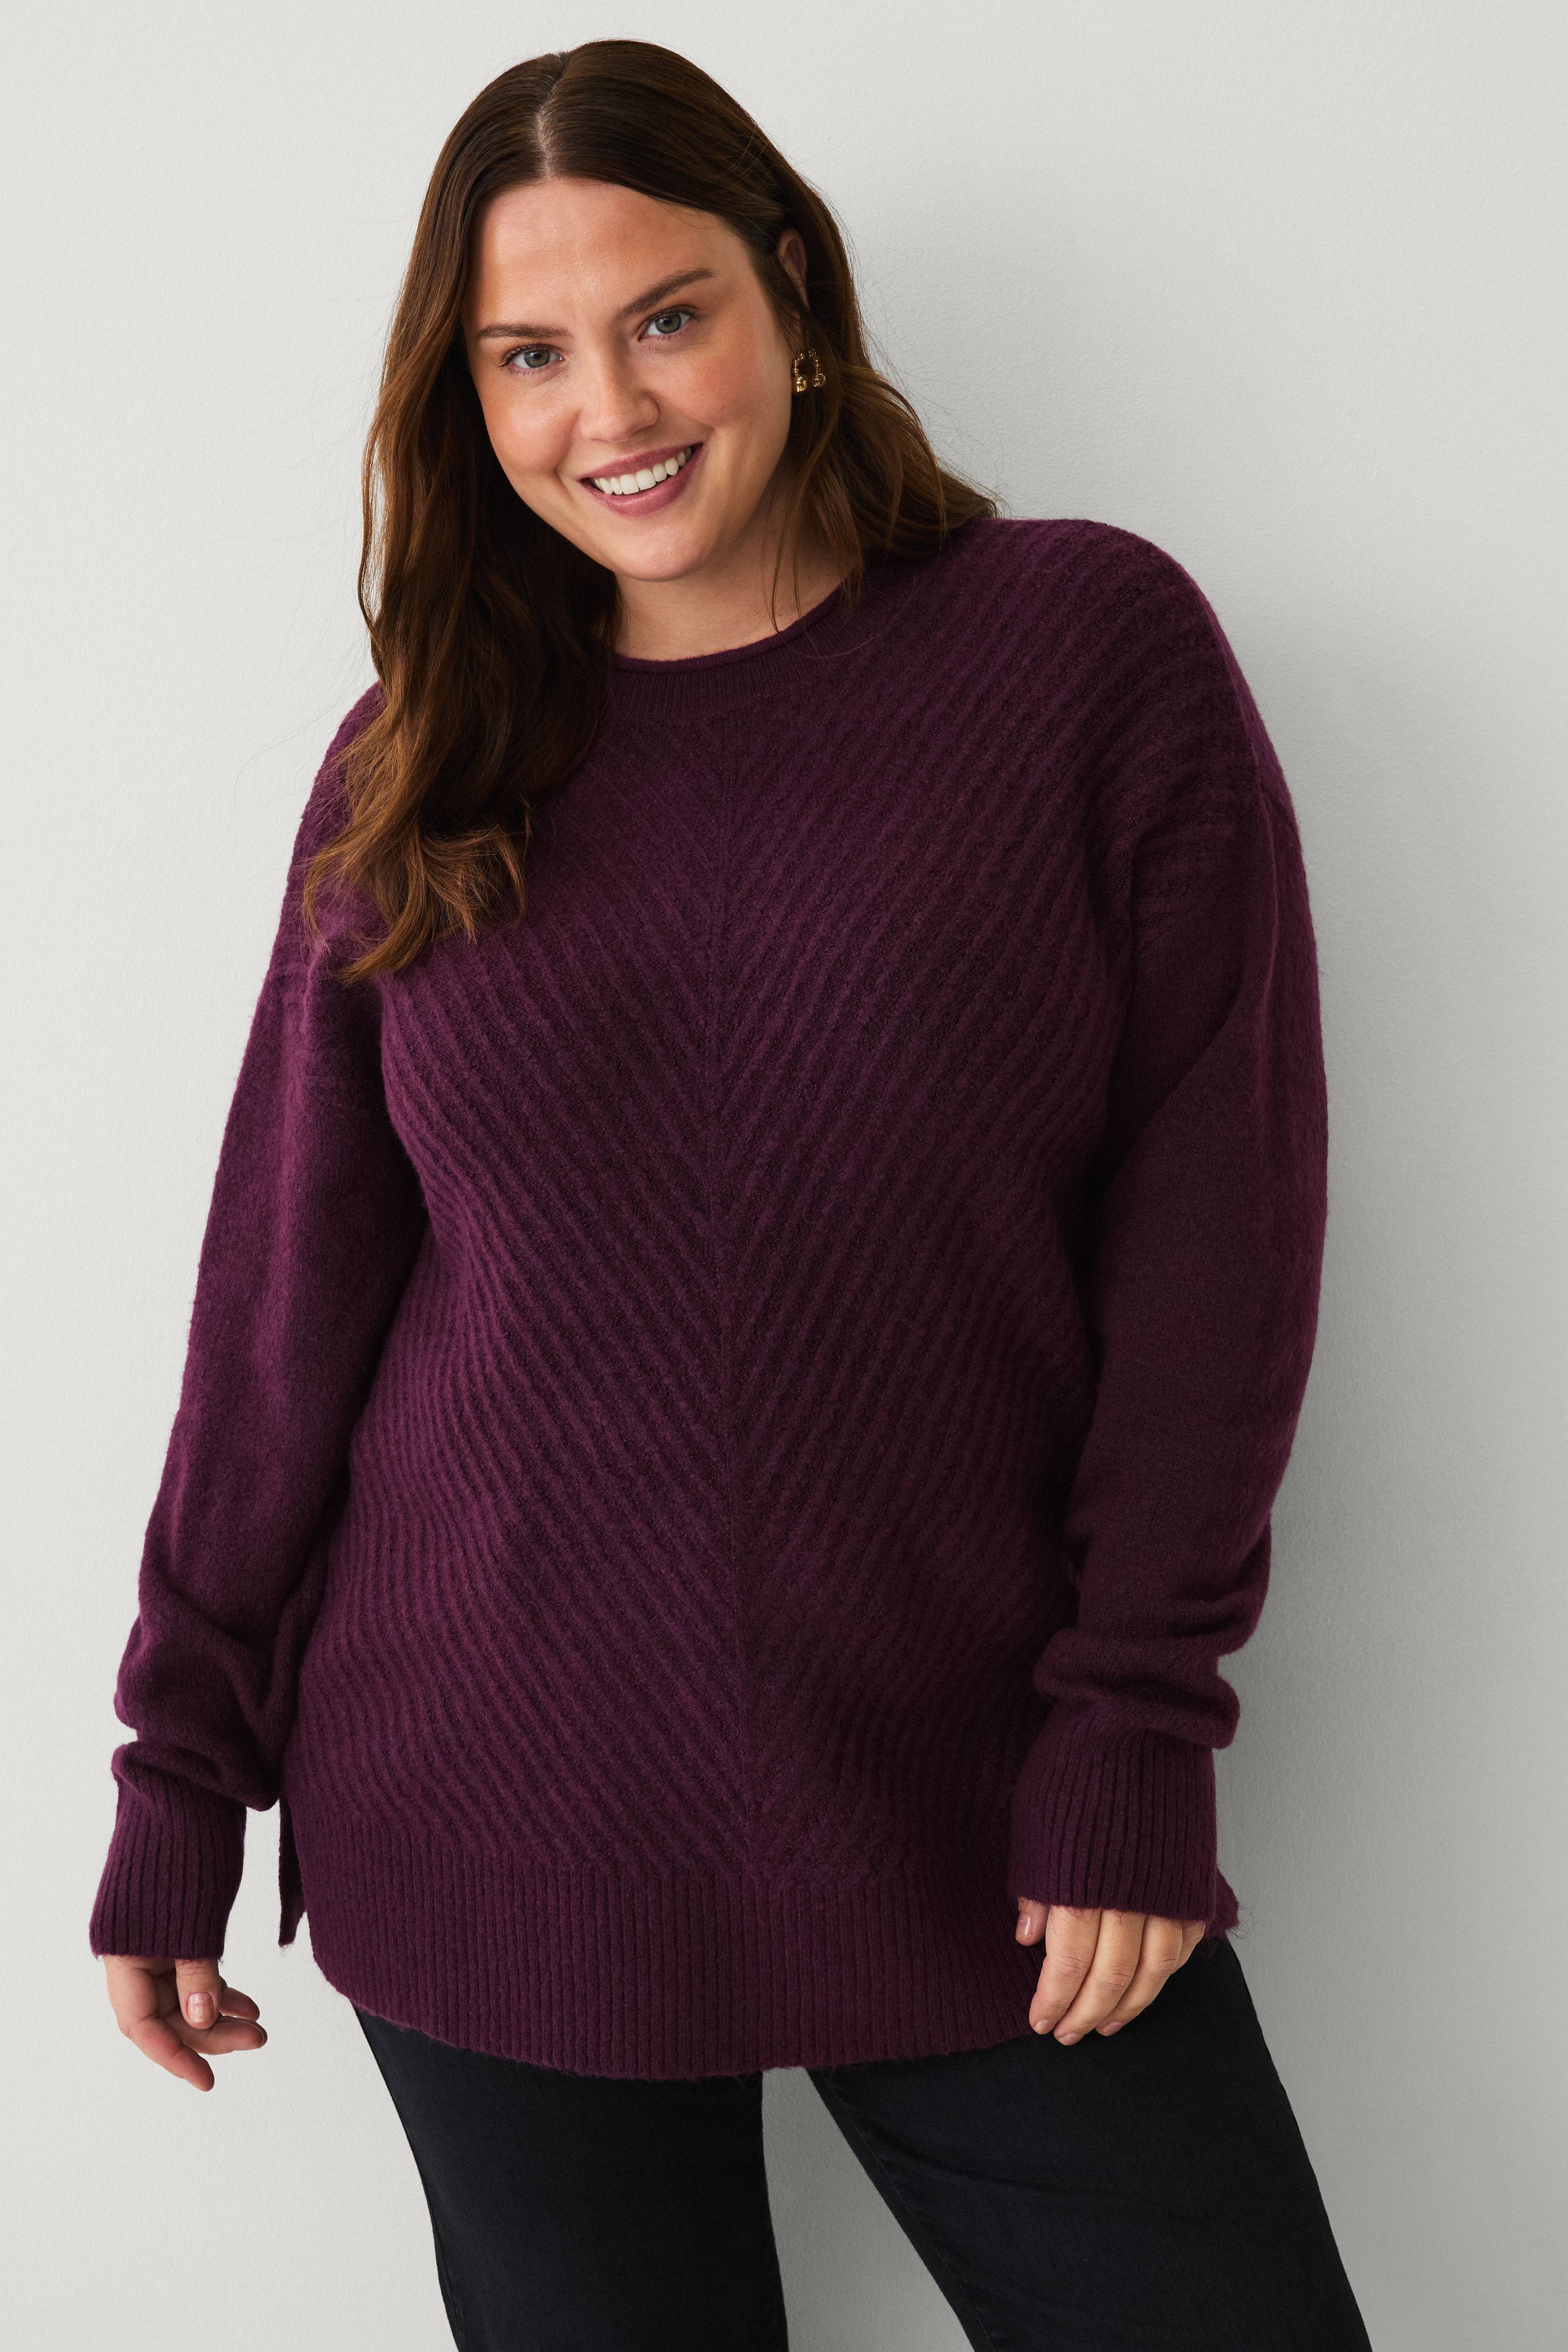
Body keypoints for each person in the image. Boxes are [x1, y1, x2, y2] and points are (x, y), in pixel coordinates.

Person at [90, 38, 1372, 2352]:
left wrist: (1134, 1724)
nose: (611, 407)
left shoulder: (1085, 657)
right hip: (490, 1804)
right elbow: (286, 1303)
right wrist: (183, 1763)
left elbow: (1219, 1240)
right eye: (527, 353)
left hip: (981, 1803)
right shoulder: (417, 765)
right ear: (465, 395)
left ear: (792, 290)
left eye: (666, 314)